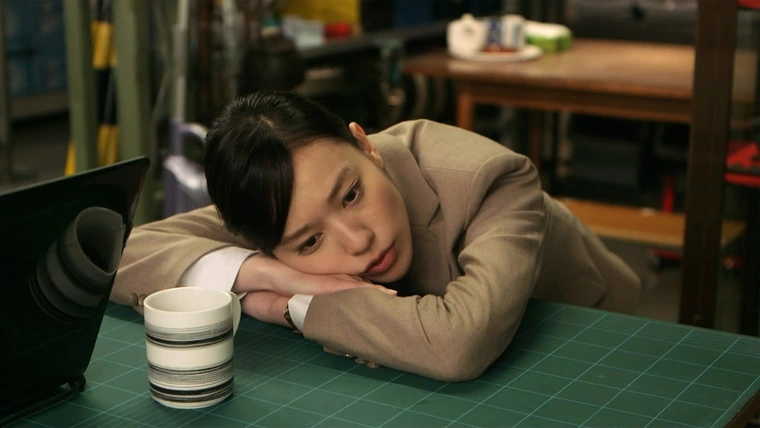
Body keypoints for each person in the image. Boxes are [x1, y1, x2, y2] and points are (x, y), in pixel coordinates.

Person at [111, 91, 641, 382]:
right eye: (310, 243)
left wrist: (292, 306)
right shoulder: (279, 206)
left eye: (351, 195)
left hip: (599, 345)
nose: (358, 240)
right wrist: (270, 278)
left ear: (364, 146)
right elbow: (116, 247)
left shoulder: (490, 177)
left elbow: (457, 343)